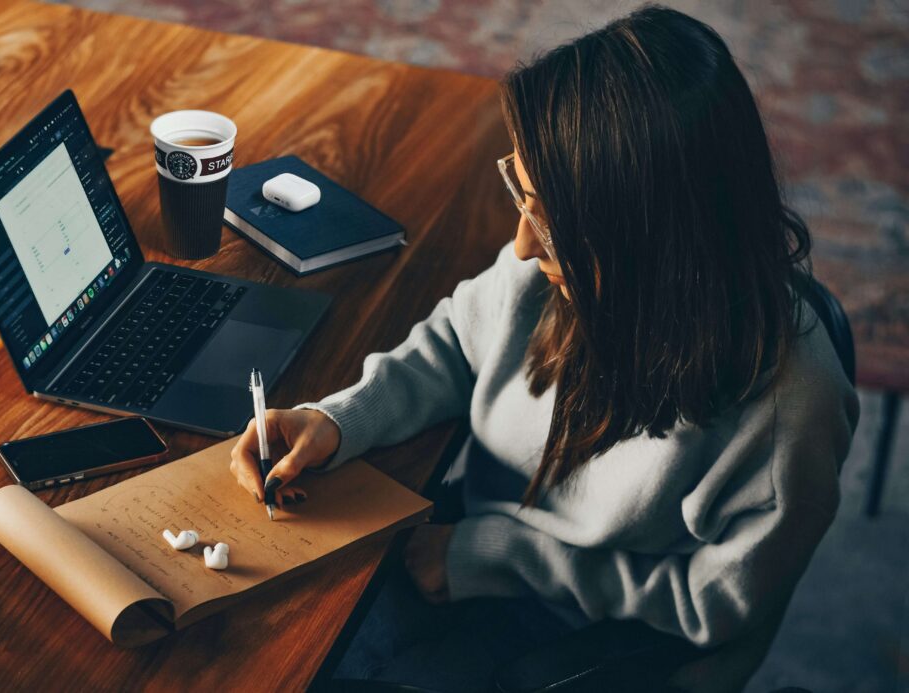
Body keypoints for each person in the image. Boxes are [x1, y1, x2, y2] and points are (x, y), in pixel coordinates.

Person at [229, 5, 859, 691]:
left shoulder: (789, 409)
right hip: (464, 552)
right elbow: (455, 340)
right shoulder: (567, 264)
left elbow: (716, 605)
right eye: (525, 198)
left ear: (651, 242)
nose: (524, 246)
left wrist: (496, 556)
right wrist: (338, 419)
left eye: (549, 222)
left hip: (588, 644)